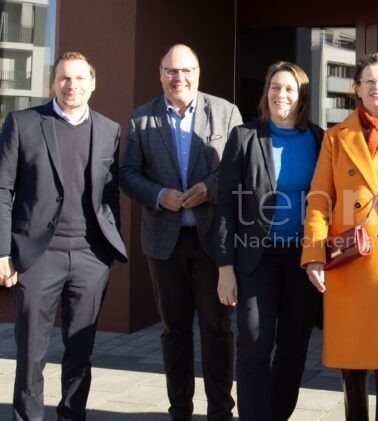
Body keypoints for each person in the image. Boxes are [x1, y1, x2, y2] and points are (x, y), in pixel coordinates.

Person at [0, 51, 127, 420]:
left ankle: (73, 415)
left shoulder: (109, 129)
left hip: (91, 258)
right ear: (53, 82)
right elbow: (3, 189)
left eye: (79, 78)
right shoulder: (23, 123)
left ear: (92, 83)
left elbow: (109, 192)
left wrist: (108, 241)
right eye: (64, 78)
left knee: (81, 350)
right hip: (37, 256)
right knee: (31, 352)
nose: (71, 85)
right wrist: (3, 252)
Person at [120, 44, 242, 420]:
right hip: (164, 243)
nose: (179, 78)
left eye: (186, 70)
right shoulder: (141, 119)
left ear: (198, 72)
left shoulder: (225, 112)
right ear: (160, 75)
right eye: (171, 71)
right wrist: (158, 194)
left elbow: (238, 169)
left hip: (211, 242)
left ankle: (221, 410)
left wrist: (209, 187)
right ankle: (179, 410)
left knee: (216, 329)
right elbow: (127, 174)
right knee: (173, 331)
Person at [301, 52, 378, 421]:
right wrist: (314, 255)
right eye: (368, 81)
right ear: (356, 88)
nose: (377, 87)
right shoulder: (336, 138)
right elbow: (320, 198)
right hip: (350, 264)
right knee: (351, 368)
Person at [216, 61, 323, 421]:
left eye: (290, 89)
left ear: (302, 95)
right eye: (276, 87)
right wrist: (225, 268)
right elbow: (226, 205)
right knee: (254, 345)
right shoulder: (245, 137)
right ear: (266, 92)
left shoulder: (320, 139)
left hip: (302, 258)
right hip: (256, 259)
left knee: (294, 348)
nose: (282, 95)